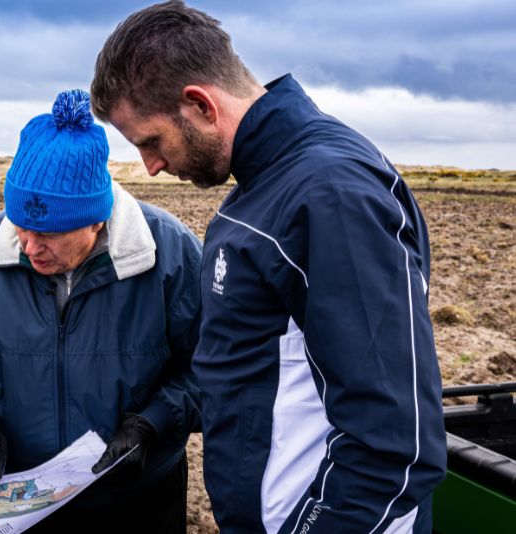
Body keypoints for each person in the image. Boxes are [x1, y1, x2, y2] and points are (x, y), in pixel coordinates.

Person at [90, 2, 446, 532]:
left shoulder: (330, 195)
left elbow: (392, 440)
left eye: (151, 141)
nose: (152, 167)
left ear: (201, 105)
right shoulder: (265, 188)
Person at [0, 89, 204, 533]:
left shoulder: (171, 255)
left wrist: (155, 422)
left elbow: (211, 363)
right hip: (20, 502)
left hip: (139, 496)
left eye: (48, 233)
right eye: (21, 226)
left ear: (95, 218)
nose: (28, 247)